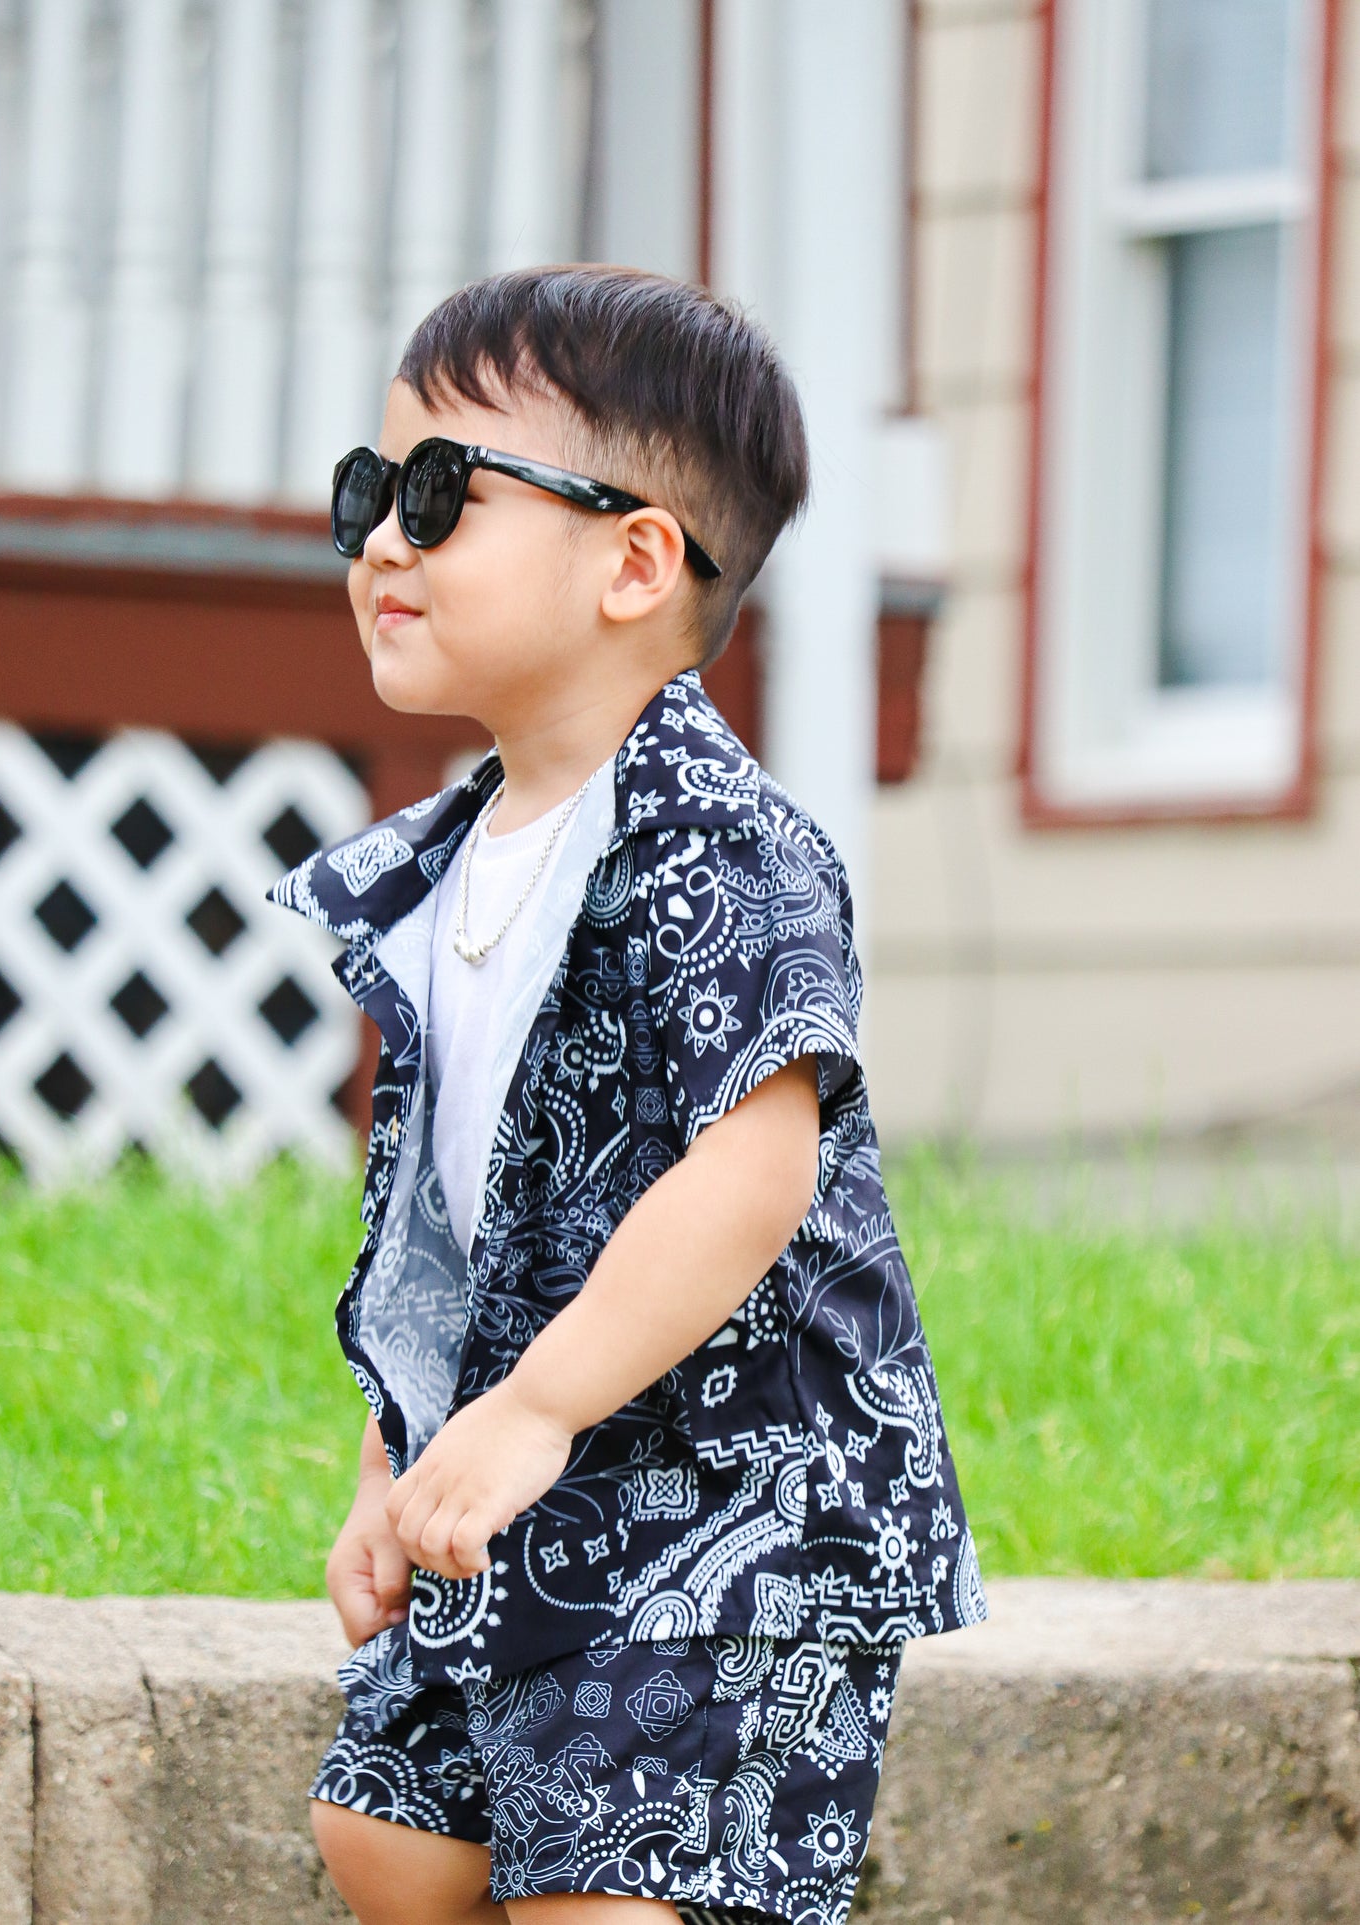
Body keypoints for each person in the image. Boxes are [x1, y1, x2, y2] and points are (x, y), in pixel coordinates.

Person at [268, 265, 987, 1925]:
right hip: (532, 1495)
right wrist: (398, 1460)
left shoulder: (724, 848)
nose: (382, 538)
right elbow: (445, 1232)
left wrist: (528, 1410)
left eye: (439, 493)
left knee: (611, 1891)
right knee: (389, 1837)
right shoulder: (442, 871)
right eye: (369, 491)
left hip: (739, 1506)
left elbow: (752, 1174)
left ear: (636, 559)